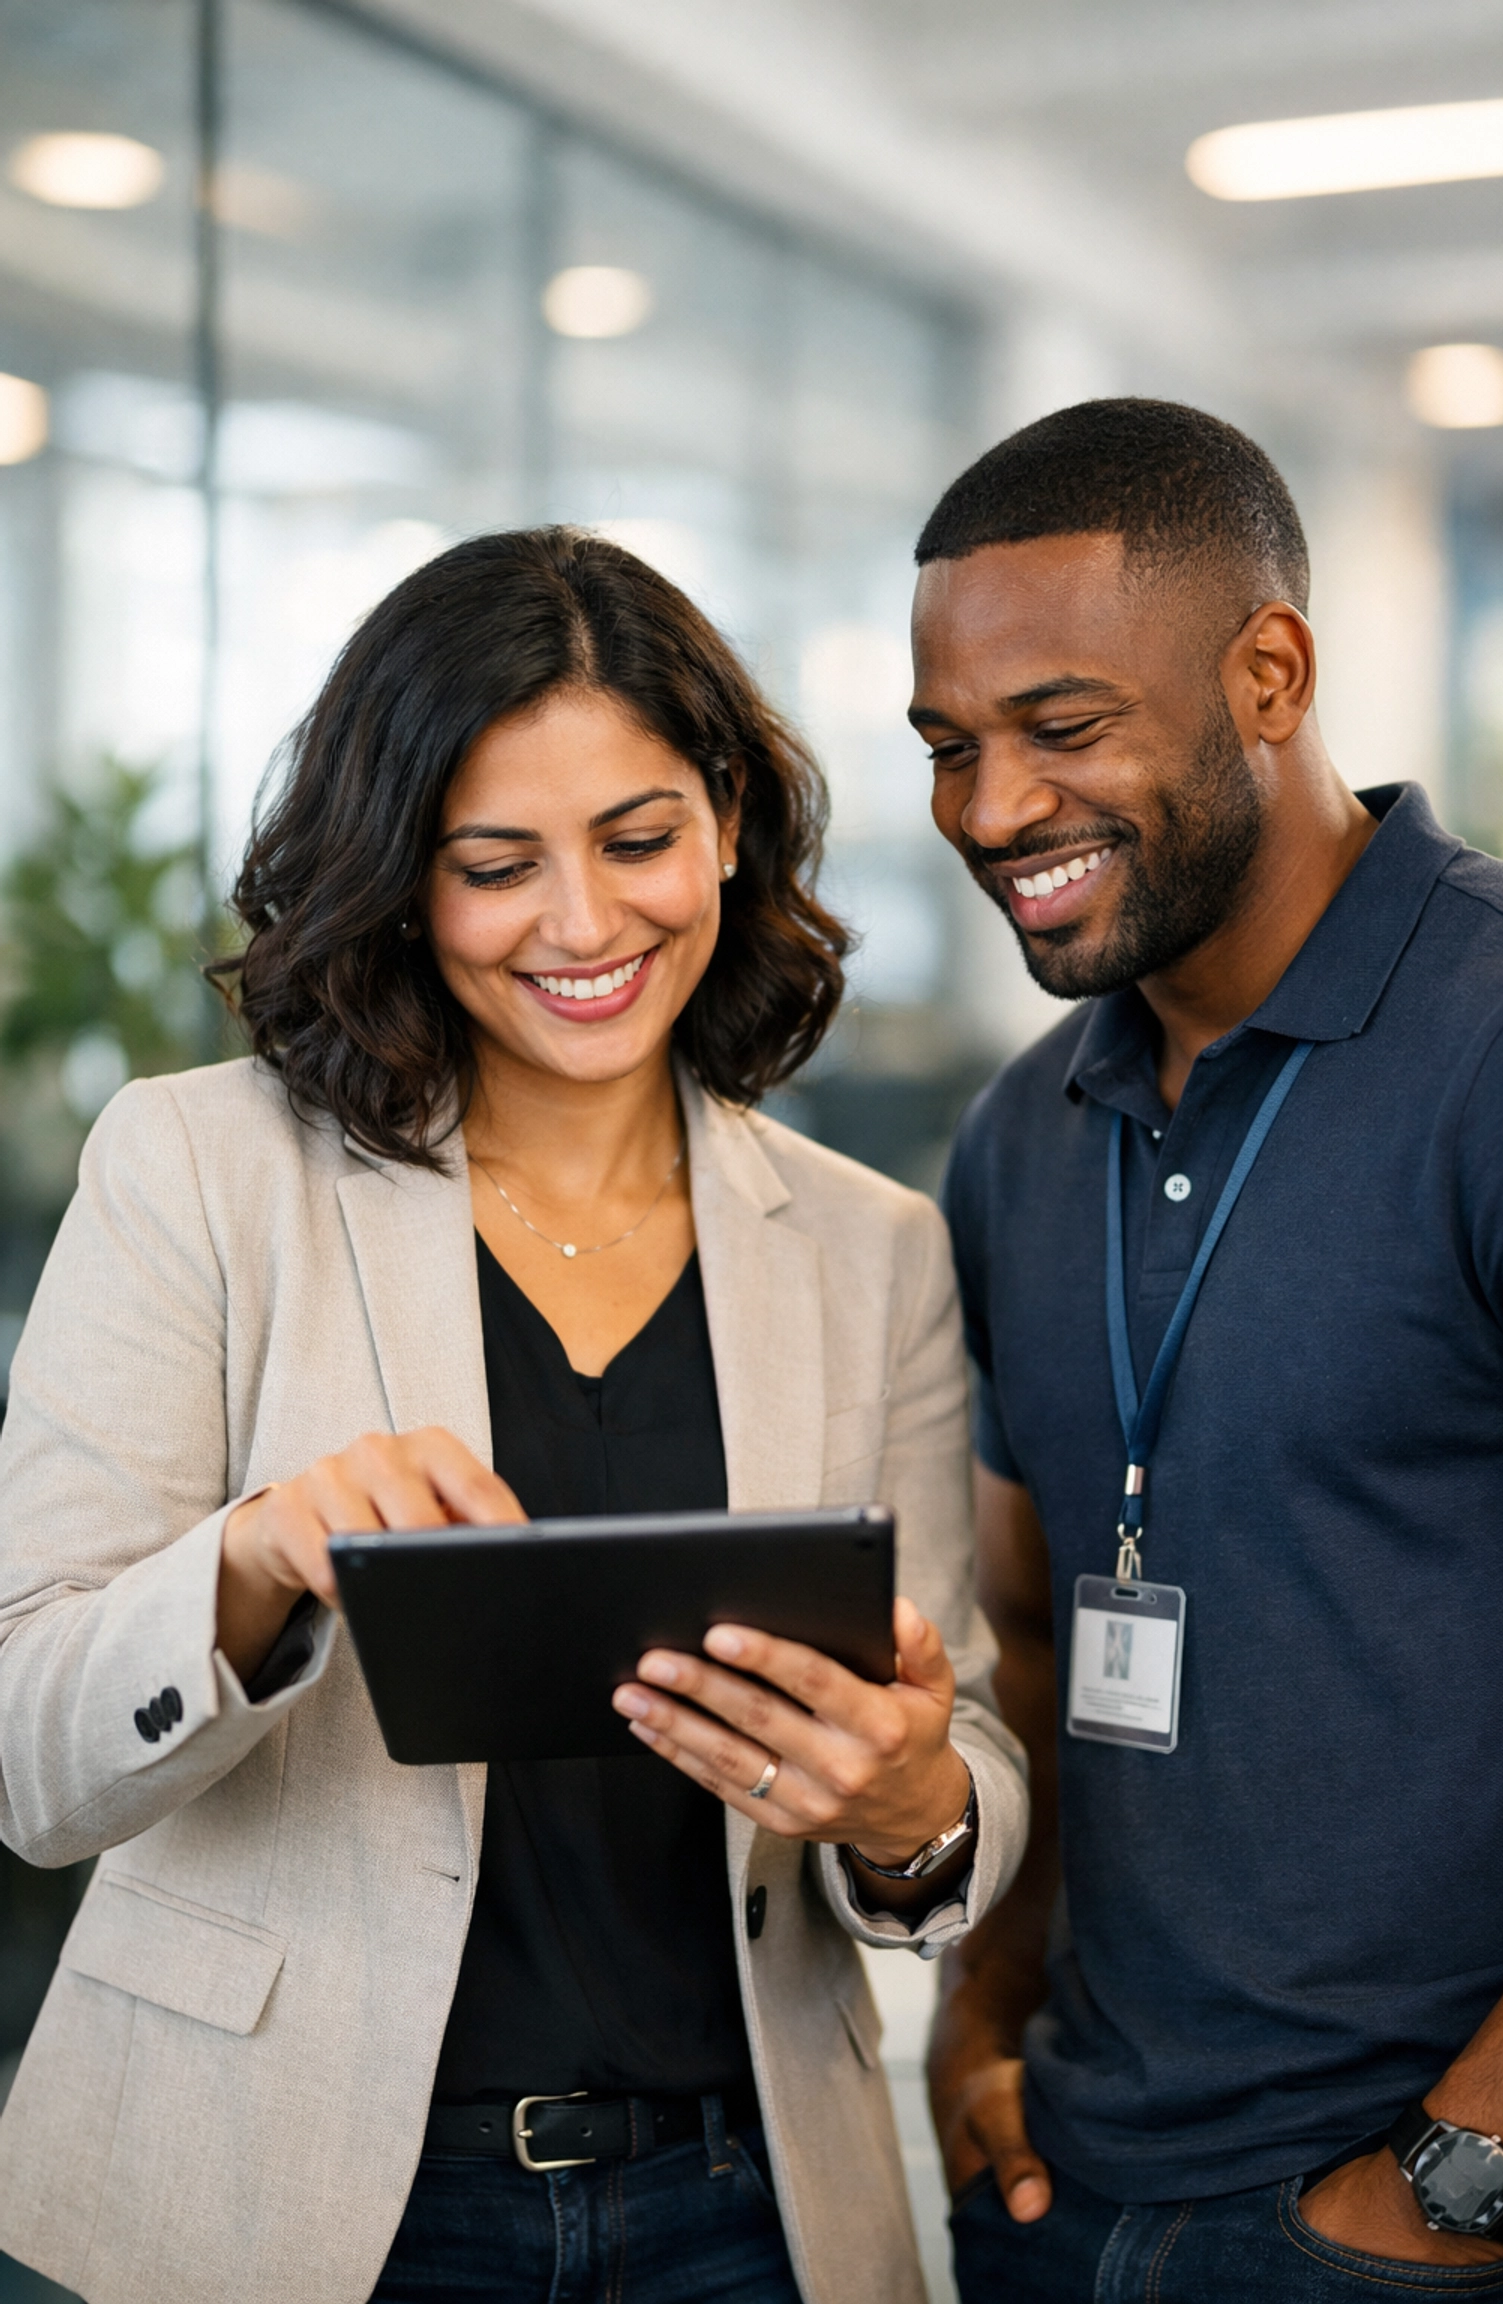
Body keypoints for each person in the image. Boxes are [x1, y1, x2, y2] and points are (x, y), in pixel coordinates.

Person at [0, 529, 1028, 2304]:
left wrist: (916, 1797)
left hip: (746, 2206)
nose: (583, 925)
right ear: (405, 877)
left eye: (637, 841)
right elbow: (29, 1752)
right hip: (292, 2200)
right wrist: (253, 1564)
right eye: (497, 866)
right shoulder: (197, 1170)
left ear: (724, 817)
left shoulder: (875, 1251)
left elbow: (968, 1759)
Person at [913, 400, 1503, 2301]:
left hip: (1402, 2224)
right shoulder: (1023, 1132)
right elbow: (1028, 1631)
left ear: (1271, 674)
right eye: (950, 748)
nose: (992, 810)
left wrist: (1464, 2180)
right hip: (1061, 2190)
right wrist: (981, 2011)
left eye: (1065, 729)